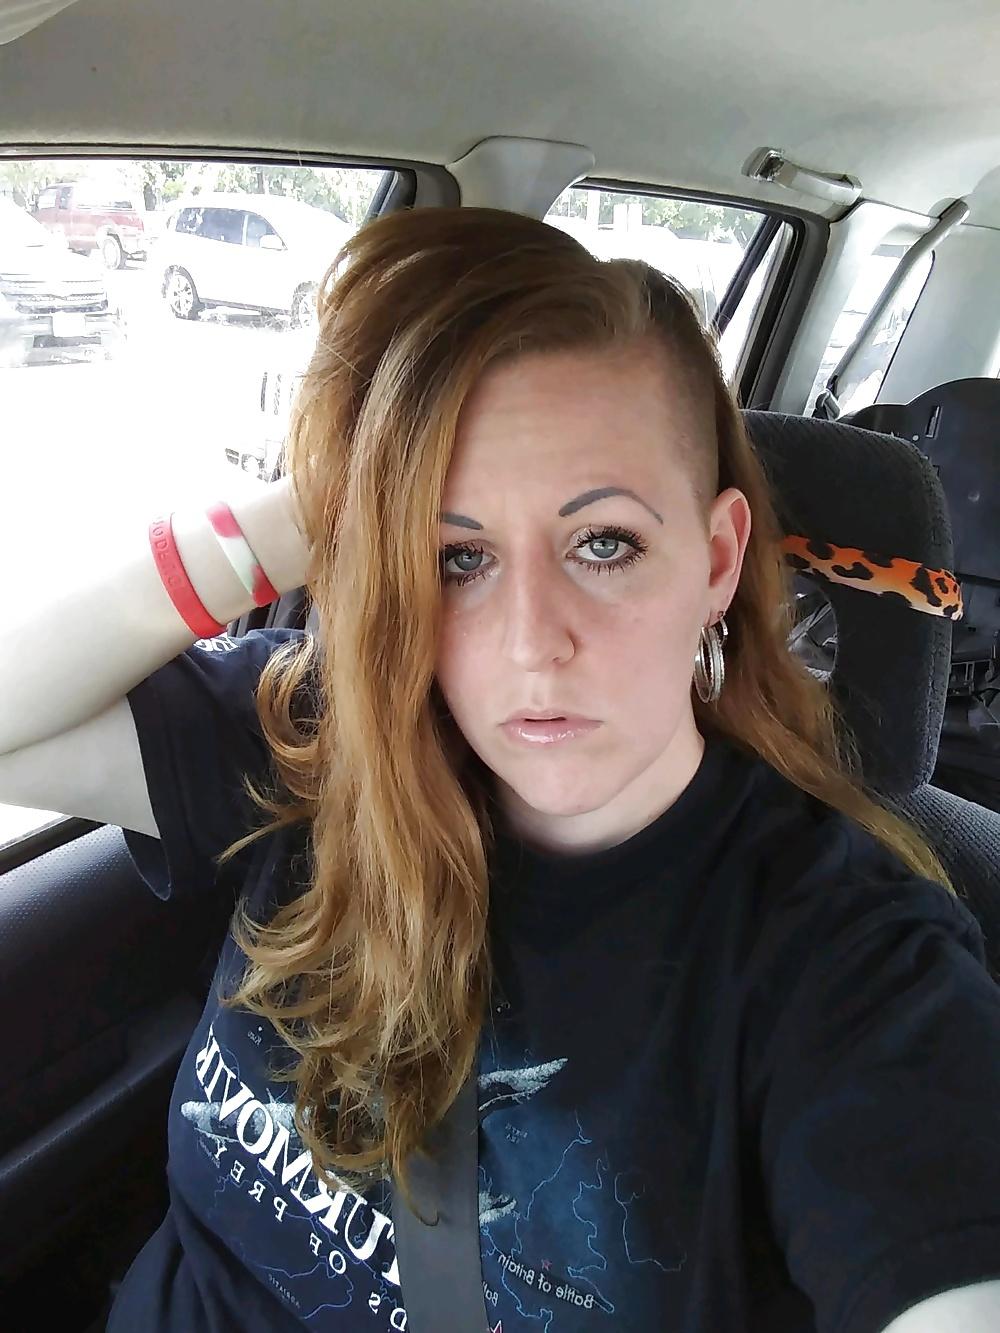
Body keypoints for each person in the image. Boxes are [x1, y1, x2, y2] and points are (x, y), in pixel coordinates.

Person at [1, 206, 999, 1333]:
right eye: (457, 556)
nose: (532, 644)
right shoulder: (323, 738)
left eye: (604, 543)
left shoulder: (843, 965)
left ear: (718, 560)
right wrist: (317, 504)